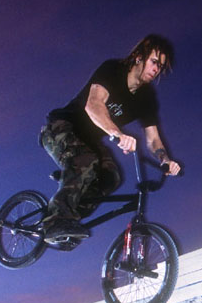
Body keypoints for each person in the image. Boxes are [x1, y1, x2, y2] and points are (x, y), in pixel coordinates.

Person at [38, 34, 182, 244]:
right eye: (154, 62)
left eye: (160, 67)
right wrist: (118, 134)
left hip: (89, 141)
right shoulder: (113, 70)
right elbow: (93, 105)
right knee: (86, 160)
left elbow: (153, 140)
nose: (156, 70)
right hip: (61, 126)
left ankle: (68, 220)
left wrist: (165, 160)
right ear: (139, 56)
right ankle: (55, 222)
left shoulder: (146, 98)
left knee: (111, 176)